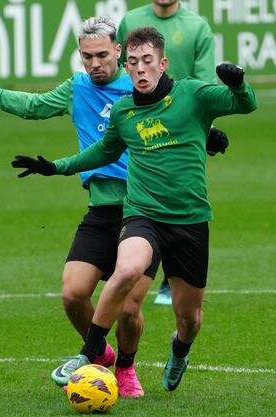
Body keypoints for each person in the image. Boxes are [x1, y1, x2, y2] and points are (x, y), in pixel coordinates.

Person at [11, 27, 257, 391]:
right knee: (127, 269)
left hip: (189, 220)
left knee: (189, 318)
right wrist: (57, 166)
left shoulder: (192, 93)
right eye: (133, 63)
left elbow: (245, 103)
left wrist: (238, 84)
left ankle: (180, 350)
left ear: (162, 63)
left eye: (147, 62)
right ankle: (89, 352)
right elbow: (104, 152)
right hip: (143, 214)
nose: (140, 70)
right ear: (126, 66)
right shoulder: (124, 111)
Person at [0, 16, 151, 398]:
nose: (95, 64)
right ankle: (102, 353)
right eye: (87, 56)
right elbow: (31, 106)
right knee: (73, 294)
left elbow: (177, 114)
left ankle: (126, 367)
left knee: (128, 309)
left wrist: (206, 135)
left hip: (144, 213)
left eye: (102, 55)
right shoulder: (77, 88)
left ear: (119, 52)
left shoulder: (141, 86)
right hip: (101, 211)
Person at [117, 0, 229, 305]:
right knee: (140, 192)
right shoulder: (130, 21)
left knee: (181, 193)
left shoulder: (197, 27)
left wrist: (204, 130)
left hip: (184, 125)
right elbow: (120, 71)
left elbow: (205, 83)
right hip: (140, 120)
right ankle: (135, 262)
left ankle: (170, 275)